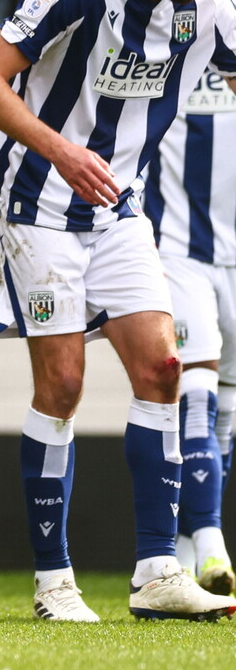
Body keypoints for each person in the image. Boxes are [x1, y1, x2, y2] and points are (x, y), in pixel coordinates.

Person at [0, 0, 236, 622]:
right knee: (64, 384)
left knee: (163, 369)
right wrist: (61, 150)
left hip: (118, 212)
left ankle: (157, 572)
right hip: (36, 206)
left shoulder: (209, 8)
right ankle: (54, 581)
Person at [144, 75, 236, 594]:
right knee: (196, 387)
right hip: (179, 248)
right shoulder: (178, 34)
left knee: (227, 406)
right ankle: (211, 542)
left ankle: (181, 552)